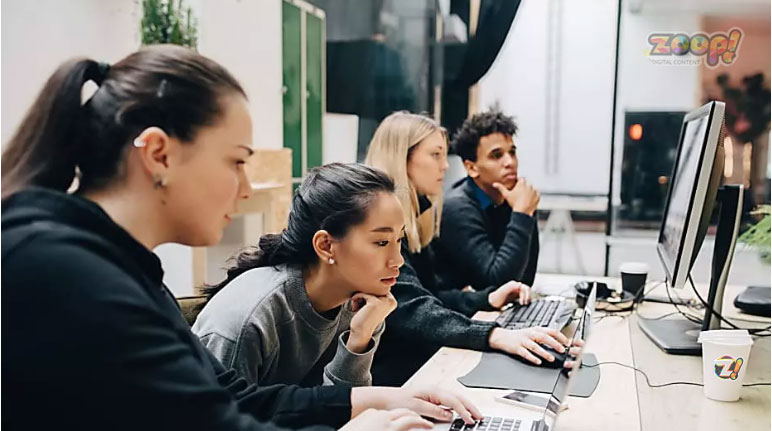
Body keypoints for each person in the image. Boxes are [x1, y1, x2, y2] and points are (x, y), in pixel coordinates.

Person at [1, 46, 481, 431]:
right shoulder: (63, 273)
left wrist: (379, 398)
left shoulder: (119, 269)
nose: (248, 187)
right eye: (236, 161)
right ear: (158, 154)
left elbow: (234, 398)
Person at [365, 111, 569, 386]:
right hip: (394, 372)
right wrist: (492, 335)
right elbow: (413, 309)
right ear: (402, 158)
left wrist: (486, 299)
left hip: (419, 357)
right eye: (435, 154)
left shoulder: (415, 221)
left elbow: (430, 294)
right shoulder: (378, 226)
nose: (445, 166)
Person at [194, 163, 402, 388]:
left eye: (400, 240)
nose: (398, 260)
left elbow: (341, 411)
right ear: (325, 246)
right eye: (381, 242)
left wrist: (358, 340)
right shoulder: (248, 322)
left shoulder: (366, 308)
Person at [435, 109, 540, 290]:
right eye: (497, 155)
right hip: (457, 313)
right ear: (472, 168)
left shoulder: (514, 198)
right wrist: (522, 214)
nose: (510, 162)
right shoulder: (457, 207)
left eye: (512, 152)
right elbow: (497, 283)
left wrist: (524, 211)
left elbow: (525, 280)